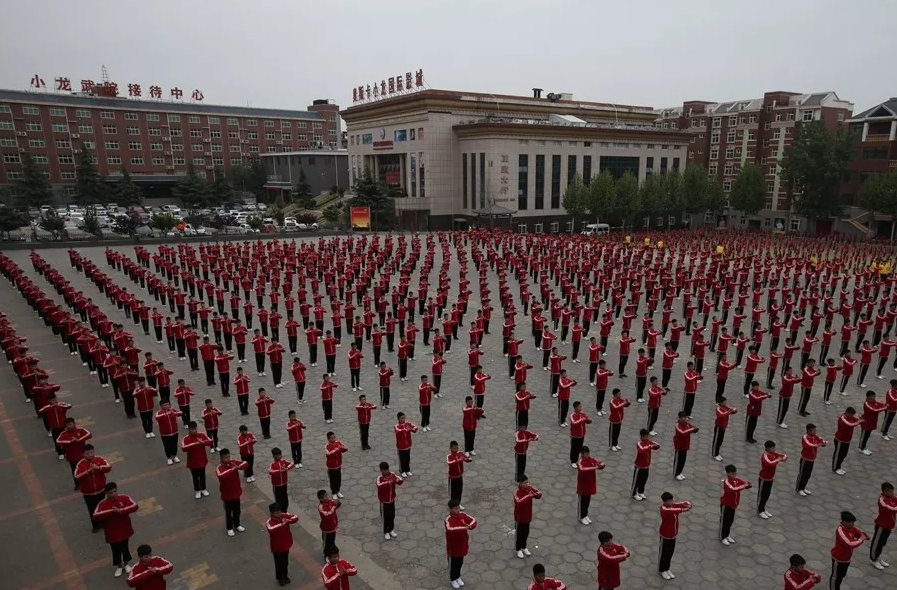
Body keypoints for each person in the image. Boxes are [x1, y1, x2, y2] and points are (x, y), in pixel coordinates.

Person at [93, 482, 139, 578]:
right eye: (111, 493)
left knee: (125, 547)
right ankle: (119, 565)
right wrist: (110, 512)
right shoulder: (102, 504)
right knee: (115, 550)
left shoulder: (124, 498)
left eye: (115, 491)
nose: (113, 494)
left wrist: (121, 511)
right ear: (106, 493)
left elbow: (134, 506)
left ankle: (126, 563)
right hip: (111, 532)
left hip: (124, 529)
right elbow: (96, 516)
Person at [74, 443, 112, 532]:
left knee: (102, 507)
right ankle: (95, 525)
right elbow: (77, 477)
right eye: (87, 453)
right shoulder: (81, 464)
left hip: (101, 490)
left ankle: (104, 523)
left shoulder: (99, 459)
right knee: (92, 509)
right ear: (83, 455)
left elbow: (108, 467)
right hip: (88, 492)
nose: (90, 455)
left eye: (91, 452)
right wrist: (88, 471)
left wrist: (98, 468)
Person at [830, 511, 869, 590]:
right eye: (851, 523)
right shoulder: (841, 531)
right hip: (839, 559)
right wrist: (861, 539)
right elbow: (849, 544)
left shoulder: (850, 528)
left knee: (841, 576)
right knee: (835, 578)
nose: (853, 525)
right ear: (844, 522)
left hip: (846, 559)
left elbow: (857, 531)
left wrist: (863, 534)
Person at [658, 492, 691, 580]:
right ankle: (662, 570)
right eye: (668, 501)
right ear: (664, 502)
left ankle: (667, 568)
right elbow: (673, 510)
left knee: (670, 553)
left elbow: (680, 504)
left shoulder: (673, 505)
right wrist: (683, 509)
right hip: (665, 535)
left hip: (673, 535)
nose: (671, 502)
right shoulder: (664, 509)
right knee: (663, 553)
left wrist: (687, 504)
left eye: (671, 500)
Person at [215, 448, 248, 537]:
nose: (228, 459)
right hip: (227, 495)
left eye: (229, 456)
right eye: (226, 457)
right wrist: (233, 469)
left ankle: (237, 524)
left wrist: (240, 466)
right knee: (228, 513)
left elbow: (245, 463)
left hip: (236, 493)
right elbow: (221, 476)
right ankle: (229, 528)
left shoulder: (233, 462)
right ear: (221, 458)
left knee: (237, 511)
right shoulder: (219, 468)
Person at [444, 499, 476, 589]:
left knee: (459, 563)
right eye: (455, 508)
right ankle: (452, 579)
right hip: (453, 548)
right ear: (450, 509)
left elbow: (473, 520)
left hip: (462, 546)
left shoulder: (463, 515)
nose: (457, 510)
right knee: (453, 564)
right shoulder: (448, 520)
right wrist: (464, 528)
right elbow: (451, 530)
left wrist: (471, 526)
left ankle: (458, 576)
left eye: (458, 508)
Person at [266, 502, 299, 587]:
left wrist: (289, 520)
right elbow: (271, 529)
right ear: (272, 513)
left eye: (279, 511)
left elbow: (295, 517)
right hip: (277, 547)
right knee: (279, 563)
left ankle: (285, 576)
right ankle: (280, 578)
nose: (279, 514)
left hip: (286, 544)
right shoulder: (269, 522)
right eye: (277, 512)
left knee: (285, 562)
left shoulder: (284, 515)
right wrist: (281, 524)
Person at [719, 464, 751, 545]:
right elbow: (733, 489)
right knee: (724, 521)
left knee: (730, 521)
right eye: (733, 474)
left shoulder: (736, 480)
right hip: (726, 505)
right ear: (728, 474)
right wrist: (744, 486)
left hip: (733, 505)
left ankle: (727, 535)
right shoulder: (727, 482)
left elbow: (743, 484)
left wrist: (748, 485)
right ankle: (722, 536)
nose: (734, 475)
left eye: (735, 473)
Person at [180, 421, 213, 499]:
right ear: (189, 430)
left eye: (195, 429)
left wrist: (203, 442)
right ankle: (197, 490)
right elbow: (183, 448)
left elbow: (210, 442)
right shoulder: (186, 438)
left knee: (202, 476)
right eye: (192, 429)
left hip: (202, 460)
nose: (194, 431)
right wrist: (194, 444)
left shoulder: (201, 435)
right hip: (193, 462)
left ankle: (203, 489)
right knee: (195, 477)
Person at [513, 474, 542, 559]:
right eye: (525, 483)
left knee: (526, 533)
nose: (527, 484)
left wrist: (535, 494)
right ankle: (518, 549)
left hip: (527, 517)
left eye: (527, 482)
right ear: (520, 483)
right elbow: (519, 502)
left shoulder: (529, 488)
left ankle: (524, 547)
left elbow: (539, 494)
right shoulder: (516, 493)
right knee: (519, 534)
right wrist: (529, 496)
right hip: (519, 518)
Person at [757, 440, 787, 519]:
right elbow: (770, 464)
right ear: (767, 448)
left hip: (770, 478)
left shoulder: (773, 454)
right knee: (762, 495)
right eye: (772, 448)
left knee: (767, 495)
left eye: (774, 448)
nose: (774, 449)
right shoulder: (765, 456)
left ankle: (763, 509)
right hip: (764, 478)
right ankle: (760, 510)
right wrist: (778, 460)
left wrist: (783, 457)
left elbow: (784, 456)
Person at [576, 445, 605, 524]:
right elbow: (582, 470)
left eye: (588, 453)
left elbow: (599, 463)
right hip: (583, 486)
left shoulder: (592, 459)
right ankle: (581, 517)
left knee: (587, 501)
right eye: (586, 454)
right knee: (582, 502)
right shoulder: (580, 462)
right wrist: (594, 468)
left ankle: (585, 515)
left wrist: (601, 465)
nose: (588, 455)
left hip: (589, 485)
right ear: (582, 454)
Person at [871, 481, 897, 569]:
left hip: (889, 526)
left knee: (882, 543)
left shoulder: (892, 498)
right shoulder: (882, 501)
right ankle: (873, 559)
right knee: (876, 543)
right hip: (881, 526)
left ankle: (877, 557)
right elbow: (892, 509)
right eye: (890, 492)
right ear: (885, 491)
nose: (892, 493)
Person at [376, 462, 403, 540]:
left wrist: (396, 479)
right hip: (384, 502)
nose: (386, 471)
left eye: (387, 469)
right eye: (384, 470)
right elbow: (379, 486)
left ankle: (391, 529)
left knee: (392, 516)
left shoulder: (392, 475)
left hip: (392, 501)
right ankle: (386, 531)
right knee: (385, 517)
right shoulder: (379, 478)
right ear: (381, 470)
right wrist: (388, 482)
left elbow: (400, 481)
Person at [797, 423, 826, 495]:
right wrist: (818, 445)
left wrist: (823, 442)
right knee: (802, 474)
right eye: (814, 431)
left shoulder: (814, 436)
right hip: (805, 459)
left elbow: (820, 439)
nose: (815, 432)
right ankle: (799, 488)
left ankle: (803, 487)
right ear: (809, 431)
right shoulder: (805, 437)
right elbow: (809, 445)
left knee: (808, 475)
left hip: (812, 459)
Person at [832, 407, 861, 475]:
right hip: (840, 440)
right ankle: (835, 468)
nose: (852, 416)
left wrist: (860, 419)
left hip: (847, 440)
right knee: (838, 454)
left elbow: (855, 419)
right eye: (851, 415)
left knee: (844, 454)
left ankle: (839, 467)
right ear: (847, 413)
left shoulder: (850, 417)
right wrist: (858, 422)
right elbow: (850, 424)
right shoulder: (842, 418)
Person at [632, 429, 660, 501]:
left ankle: (640, 492)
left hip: (646, 466)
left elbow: (657, 446)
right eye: (645, 436)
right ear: (641, 436)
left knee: (644, 479)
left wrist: (655, 445)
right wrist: (650, 446)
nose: (647, 437)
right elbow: (641, 451)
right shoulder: (639, 443)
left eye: (647, 436)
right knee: (636, 480)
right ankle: (634, 493)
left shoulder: (648, 442)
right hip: (639, 466)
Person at [154, 401, 182, 465]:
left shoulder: (172, 410)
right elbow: (157, 417)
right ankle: (169, 458)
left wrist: (173, 413)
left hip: (174, 431)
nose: (167, 406)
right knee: (167, 446)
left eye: (168, 404)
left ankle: (174, 456)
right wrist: (166, 414)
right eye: (165, 405)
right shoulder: (159, 412)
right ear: (161, 406)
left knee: (174, 444)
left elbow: (180, 412)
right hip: (165, 433)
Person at [672, 412, 698, 480]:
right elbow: (683, 432)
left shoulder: (687, 424)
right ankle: (676, 473)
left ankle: (679, 472)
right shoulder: (677, 425)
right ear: (680, 418)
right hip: (679, 446)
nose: (686, 419)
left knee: (683, 460)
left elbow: (692, 429)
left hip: (685, 445)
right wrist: (692, 429)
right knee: (678, 460)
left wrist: (695, 429)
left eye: (686, 417)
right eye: (684, 418)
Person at [269, 447, 295, 512]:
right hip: (277, 486)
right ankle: (280, 512)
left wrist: (287, 468)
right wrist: (279, 471)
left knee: (285, 499)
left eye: (280, 455)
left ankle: (285, 510)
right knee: (278, 500)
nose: (279, 456)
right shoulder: (272, 464)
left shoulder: (284, 461)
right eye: (277, 455)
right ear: (273, 456)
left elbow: (292, 463)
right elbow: (270, 471)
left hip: (284, 484)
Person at [712, 397, 737, 461]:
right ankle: (714, 454)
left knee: (720, 441)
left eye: (726, 402)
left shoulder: (726, 407)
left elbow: (733, 410)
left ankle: (717, 453)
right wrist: (729, 412)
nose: (726, 403)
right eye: (724, 402)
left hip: (723, 427)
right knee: (716, 441)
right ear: (720, 403)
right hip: (718, 427)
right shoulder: (718, 408)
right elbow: (721, 415)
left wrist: (733, 410)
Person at [447, 440, 472, 505]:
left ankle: (458, 504)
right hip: (453, 478)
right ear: (450, 448)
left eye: (457, 448)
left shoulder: (460, 453)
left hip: (460, 476)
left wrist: (466, 459)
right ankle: (452, 505)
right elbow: (449, 463)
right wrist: (458, 460)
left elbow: (468, 459)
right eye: (454, 448)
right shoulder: (449, 456)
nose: (456, 449)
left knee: (459, 491)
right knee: (453, 492)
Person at [394, 413, 418, 477]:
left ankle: (407, 470)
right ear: (398, 419)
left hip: (408, 445)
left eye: (404, 417)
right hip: (401, 446)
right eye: (402, 418)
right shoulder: (397, 426)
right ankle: (402, 471)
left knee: (407, 458)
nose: (403, 419)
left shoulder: (408, 423)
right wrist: (407, 430)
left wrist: (412, 429)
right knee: (402, 459)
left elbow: (415, 427)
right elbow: (398, 431)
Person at [317, 489, 341, 554]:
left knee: (332, 540)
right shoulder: (321, 507)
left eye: (327, 495)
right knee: (326, 543)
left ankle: (332, 551)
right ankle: (326, 554)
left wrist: (338, 502)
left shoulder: (330, 501)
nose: (327, 497)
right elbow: (328, 516)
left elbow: (336, 505)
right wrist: (334, 506)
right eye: (325, 496)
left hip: (333, 526)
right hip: (327, 529)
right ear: (321, 499)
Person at [568, 401, 592, 467]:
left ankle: (577, 459)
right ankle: (573, 461)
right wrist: (581, 420)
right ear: (575, 408)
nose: (581, 408)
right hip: (575, 436)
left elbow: (586, 419)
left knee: (579, 448)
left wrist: (589, 420)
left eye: (581, 406)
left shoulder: (582, 414)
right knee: (574, 448)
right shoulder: (572, 415)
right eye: (579, 407)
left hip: (582, 435)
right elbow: (574, 423)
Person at [325, 431, 348, 497]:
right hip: (331, 467)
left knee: (338, 479)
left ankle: (338, 491)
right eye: (332, 438)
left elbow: (344, 448)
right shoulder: (327, 446)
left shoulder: (338, 443)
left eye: (334, 437)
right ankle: (334, 492)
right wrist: (337, 449)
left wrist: (344, 449)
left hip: (338, 465)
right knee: (333, 480)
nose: (334, 439)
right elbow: (328, 453)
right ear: (328, 439)